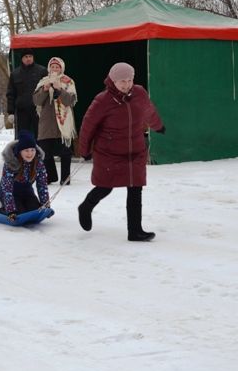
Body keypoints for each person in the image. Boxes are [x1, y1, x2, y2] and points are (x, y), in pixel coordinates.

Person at [77, 62, 165, 241]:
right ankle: (85, 207)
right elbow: (88, 126)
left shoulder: (139, 93)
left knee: (135, 189)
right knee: (105, 187)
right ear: (113, 81)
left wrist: (158, 126)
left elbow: (149, 110)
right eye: (121, 81)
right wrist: (84, 150)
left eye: (129, 80)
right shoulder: (103, 100)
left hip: (135, 150)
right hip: (110, 152)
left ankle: (135, 231)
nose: (126, 84)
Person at [32, 56, 77, 184]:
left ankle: (65, 178)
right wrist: (45, 90)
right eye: (53, 66)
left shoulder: (68, 82)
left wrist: (59, 89)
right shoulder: (43, 81)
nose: (55, 69)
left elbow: (70, 101)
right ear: (49, 68)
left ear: (61, 68)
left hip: (63, 120)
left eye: (57, 67)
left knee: (65, 151)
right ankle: (51, 176)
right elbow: (36, 101)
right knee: (45, 150)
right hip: (47, 120)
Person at [0, 130, 49, 220]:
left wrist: (45, 206)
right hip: (10, 193)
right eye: (26, 150)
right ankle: (3, 209)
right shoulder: (11, 163)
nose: (30, 154)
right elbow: (7, 188)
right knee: (20, 214)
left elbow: (42, 185)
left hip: (27, 193)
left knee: (35, 211)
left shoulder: (38, 163)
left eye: (32, 150)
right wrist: (11, 211)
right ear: (20, 151)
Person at [7, 48, 47, 138]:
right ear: (22, 59)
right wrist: (11, 112)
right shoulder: (15, 74)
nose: (28, 58)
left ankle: (40, 152)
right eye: (26, 57)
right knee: (23, 136)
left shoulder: (42, 71)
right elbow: (11, 93)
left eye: (30, 56)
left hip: (39, 110)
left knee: (40, 135)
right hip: (22, 111)